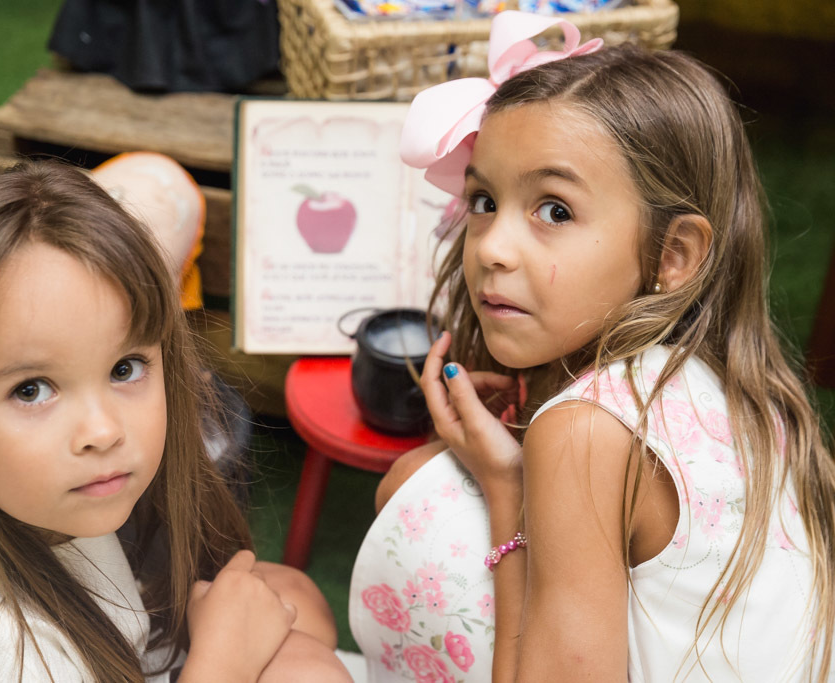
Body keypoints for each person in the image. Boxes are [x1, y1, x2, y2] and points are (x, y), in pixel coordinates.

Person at [349, 10, 835, 682]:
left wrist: (505, 487)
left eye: (555, 209)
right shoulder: (730, 380)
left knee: (416, 493)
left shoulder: (583, 431)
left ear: (675, 254)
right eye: (484, 199)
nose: (490, 246)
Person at [0, 162, 352, 682]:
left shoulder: (36, 503)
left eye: (125, 368)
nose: (103, 430)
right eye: (31, 390)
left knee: (296, 600)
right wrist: (222, 664)